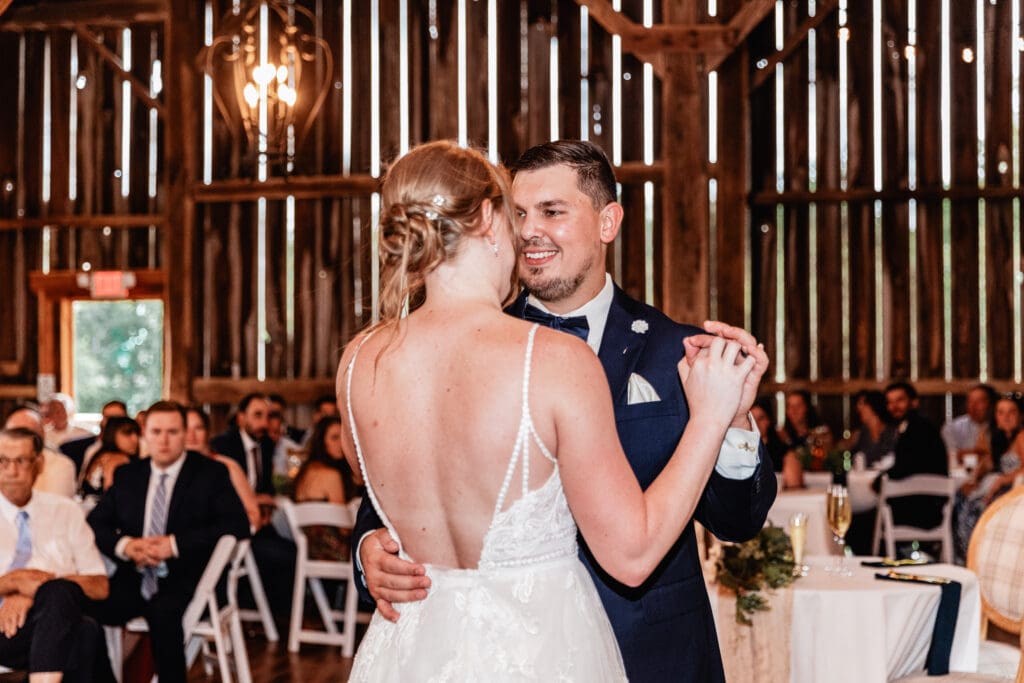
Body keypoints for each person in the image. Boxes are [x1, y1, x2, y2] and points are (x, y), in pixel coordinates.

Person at [347, 140, 773, 681]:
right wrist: (368, 551)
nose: (529, 231)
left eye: (553, 212)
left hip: (653, 655)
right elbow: (388, 493)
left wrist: (731, 421)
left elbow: (736, 521)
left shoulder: (679, 352)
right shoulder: (483, 349)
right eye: (519, 213)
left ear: (607, 221)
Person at [86, 401, 250, 683]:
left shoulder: (210, 474)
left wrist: (174, 545)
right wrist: (126, 546)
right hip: (134, 576)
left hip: (188, 578)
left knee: (164, 615)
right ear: (144, 434)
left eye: (172, 432)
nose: (163, 440)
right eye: (156, 431)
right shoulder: (129, 475)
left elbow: (237, 525)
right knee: (85, 612)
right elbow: (95, 523)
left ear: (185, 434)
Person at [0, 427, 115, 683]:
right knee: (83, 631)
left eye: (21, 460)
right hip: (2, 627)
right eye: (2, 461)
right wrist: (12, 582)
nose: (11, 470)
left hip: (46, 623)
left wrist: (37, 593)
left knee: (66, 606)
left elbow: (100, 586)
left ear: (38, 464)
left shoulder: (66, 511)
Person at [954, 394, 1024, 560]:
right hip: (995, 487)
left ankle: (977, 556)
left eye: (1011, 412)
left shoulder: (1022, 436)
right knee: (961, 498)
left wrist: (1002, 480)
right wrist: (975, 479)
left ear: (1020, 415)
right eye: (1000, 412)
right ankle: (969, 556)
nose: (1005, 417)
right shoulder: (997, 438)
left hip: (1012, 492)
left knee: (974, 509)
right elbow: (988, 464)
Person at [873, 381, 949, 532]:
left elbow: (906, 467)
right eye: (890, 402)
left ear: (914, 402)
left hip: (923, 510)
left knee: (862, 519)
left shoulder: (919, 428)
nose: (894, 407)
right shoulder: (910, 426)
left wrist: (877, 481)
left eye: (900, 400)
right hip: (921, 505)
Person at [292, 416, 364, 560]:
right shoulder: (331, 475)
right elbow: (344, 528)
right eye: (334, 438)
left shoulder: (306, 472)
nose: (340, 444)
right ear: (322, 442)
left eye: (343, 438)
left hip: (308, 552)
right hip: (333, 551)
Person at [185, 406, 261, 531]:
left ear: (208, 432)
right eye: (186, 428)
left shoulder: (227, 466)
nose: (191, 435)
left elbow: (254, 516)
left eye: (199, 428)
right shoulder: (172, 470)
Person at [4, 407, 76, 499]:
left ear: (42, 434)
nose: (20, 441)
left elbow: (54, 508)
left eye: (27, 433)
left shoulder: (61, 465)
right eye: (14, 434)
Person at [61, 400, 128, 477]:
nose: (111, 423)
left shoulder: (129, 452)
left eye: (116, 419)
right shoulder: (73, 447)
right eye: (107, 417)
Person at [79, 417, 140, 498]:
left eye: (137, 433)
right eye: (127, 433)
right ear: (112, 434)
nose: (135, 439)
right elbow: (111, 497)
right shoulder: (119, 460)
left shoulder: (99, 454)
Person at [941, 384, 996, 468]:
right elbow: (951, 456)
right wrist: (983, 453)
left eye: (979, 401)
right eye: (970, 401)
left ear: (991, 404)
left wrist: (966, 453)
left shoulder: (1000, 427)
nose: (973, 406)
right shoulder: (953, 427)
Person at [752, 397, 800, 488]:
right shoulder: (737, 451)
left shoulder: (784, 453)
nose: (756, 424)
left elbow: (794, 488)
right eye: (752, 418)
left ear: (768, 421)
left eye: (760, 418)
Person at [847, 390, 897, 468]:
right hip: (863, 478)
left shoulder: (893, 432)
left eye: (863, 404)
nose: (858, 407)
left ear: (874, 406)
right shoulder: (861, 433)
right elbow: (849, 461)